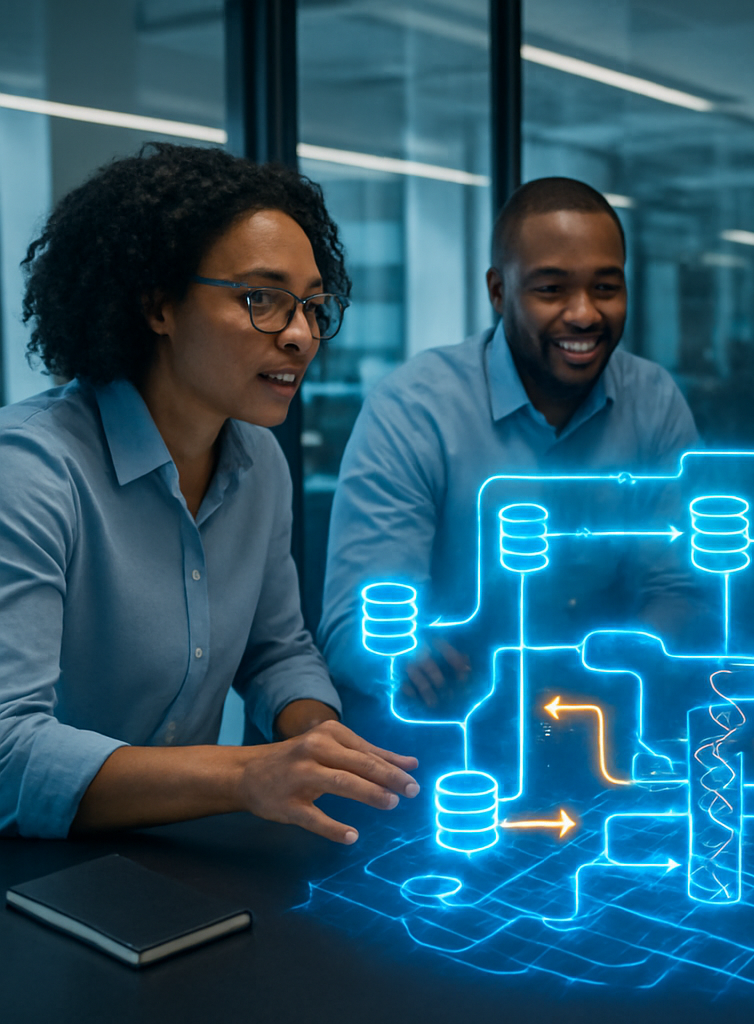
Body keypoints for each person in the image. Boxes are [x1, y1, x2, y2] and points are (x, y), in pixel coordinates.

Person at [0, 143, 419, 842]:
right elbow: (8, 752)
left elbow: (276, 651)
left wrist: (319, 743)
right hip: (32, 872)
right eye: (262, 300)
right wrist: (246, 775)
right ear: (158, 304)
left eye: (314, 307)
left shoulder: (261, 461)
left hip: (172, 854)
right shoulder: (31, 470)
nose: (301, 336)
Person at [318, 177, 699, 715]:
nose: (585, 313)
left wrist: (606, 672)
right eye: (551, 289)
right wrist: (398, 656)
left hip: (611, 716)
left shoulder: (654, 400)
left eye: (606, 288)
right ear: (498, 291)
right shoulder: (414, 408)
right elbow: (354, 621)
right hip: (451, 729)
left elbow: (683, 587)